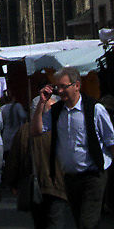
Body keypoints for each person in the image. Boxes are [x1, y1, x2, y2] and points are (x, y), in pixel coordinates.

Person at [31, 68, 114, 229]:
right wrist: (41, 103)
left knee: (87, 223)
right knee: (79, 221)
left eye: (63, 86)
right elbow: (36, 130)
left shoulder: (95, 109)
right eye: (57, 87)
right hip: (70, 177)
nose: (60, 91)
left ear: (77, 85)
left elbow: (111, 141)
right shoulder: (56, 111)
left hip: (93, 175)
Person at [5, 117, 66, 229]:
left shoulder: (25, 130)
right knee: (54, 221)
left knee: (40, 222)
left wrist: (12, 182)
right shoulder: (62, 126)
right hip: (56, 185)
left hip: (35, 184)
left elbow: (15, 158)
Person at [1, 90, 28, 156]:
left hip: (6, 136)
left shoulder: (2, 108)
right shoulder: (17, 106)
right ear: (13, 98)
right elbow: (23, 116)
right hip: (16, 135)